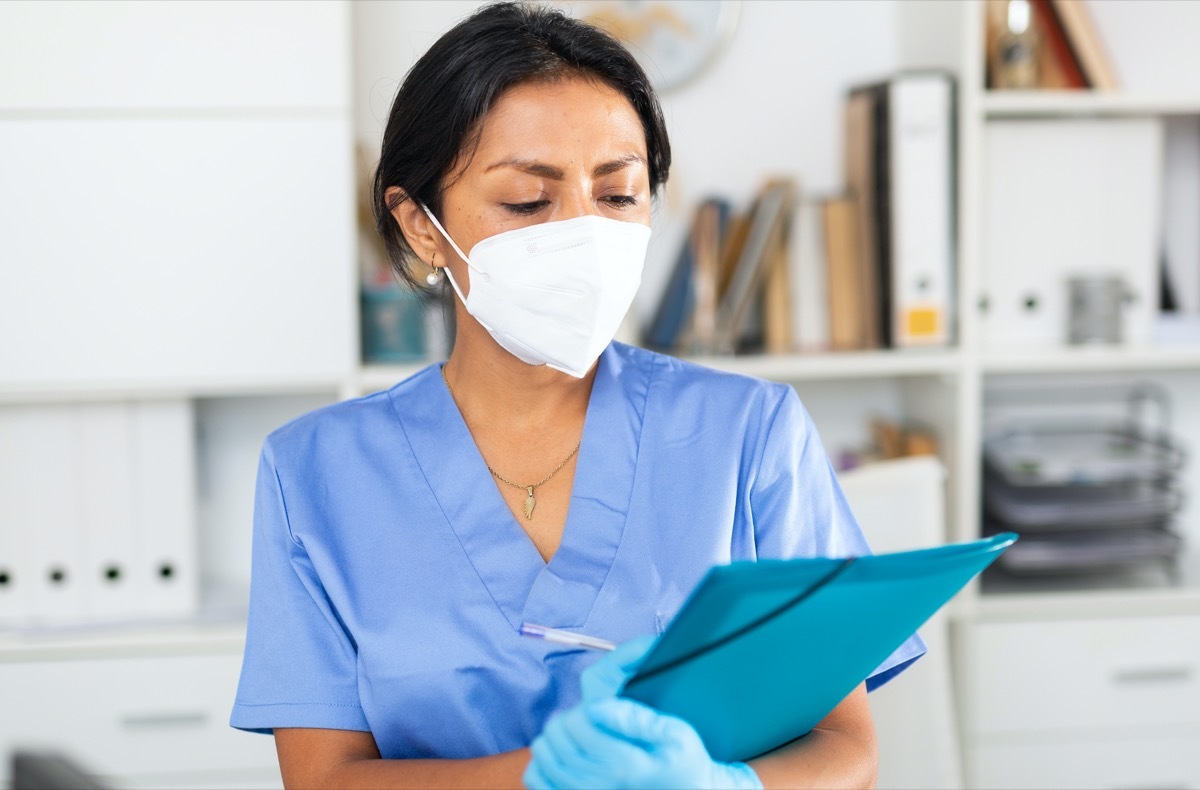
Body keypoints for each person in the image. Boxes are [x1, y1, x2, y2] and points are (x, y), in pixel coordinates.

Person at [229, 2, 925, 788]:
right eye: (529, 201)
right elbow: (324, 781)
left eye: (619, 195)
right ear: (421, 225)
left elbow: (847, 746)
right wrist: (542, 775)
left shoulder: (749, 434)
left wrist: (728, 786)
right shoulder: (316, 473)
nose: (584, 232)